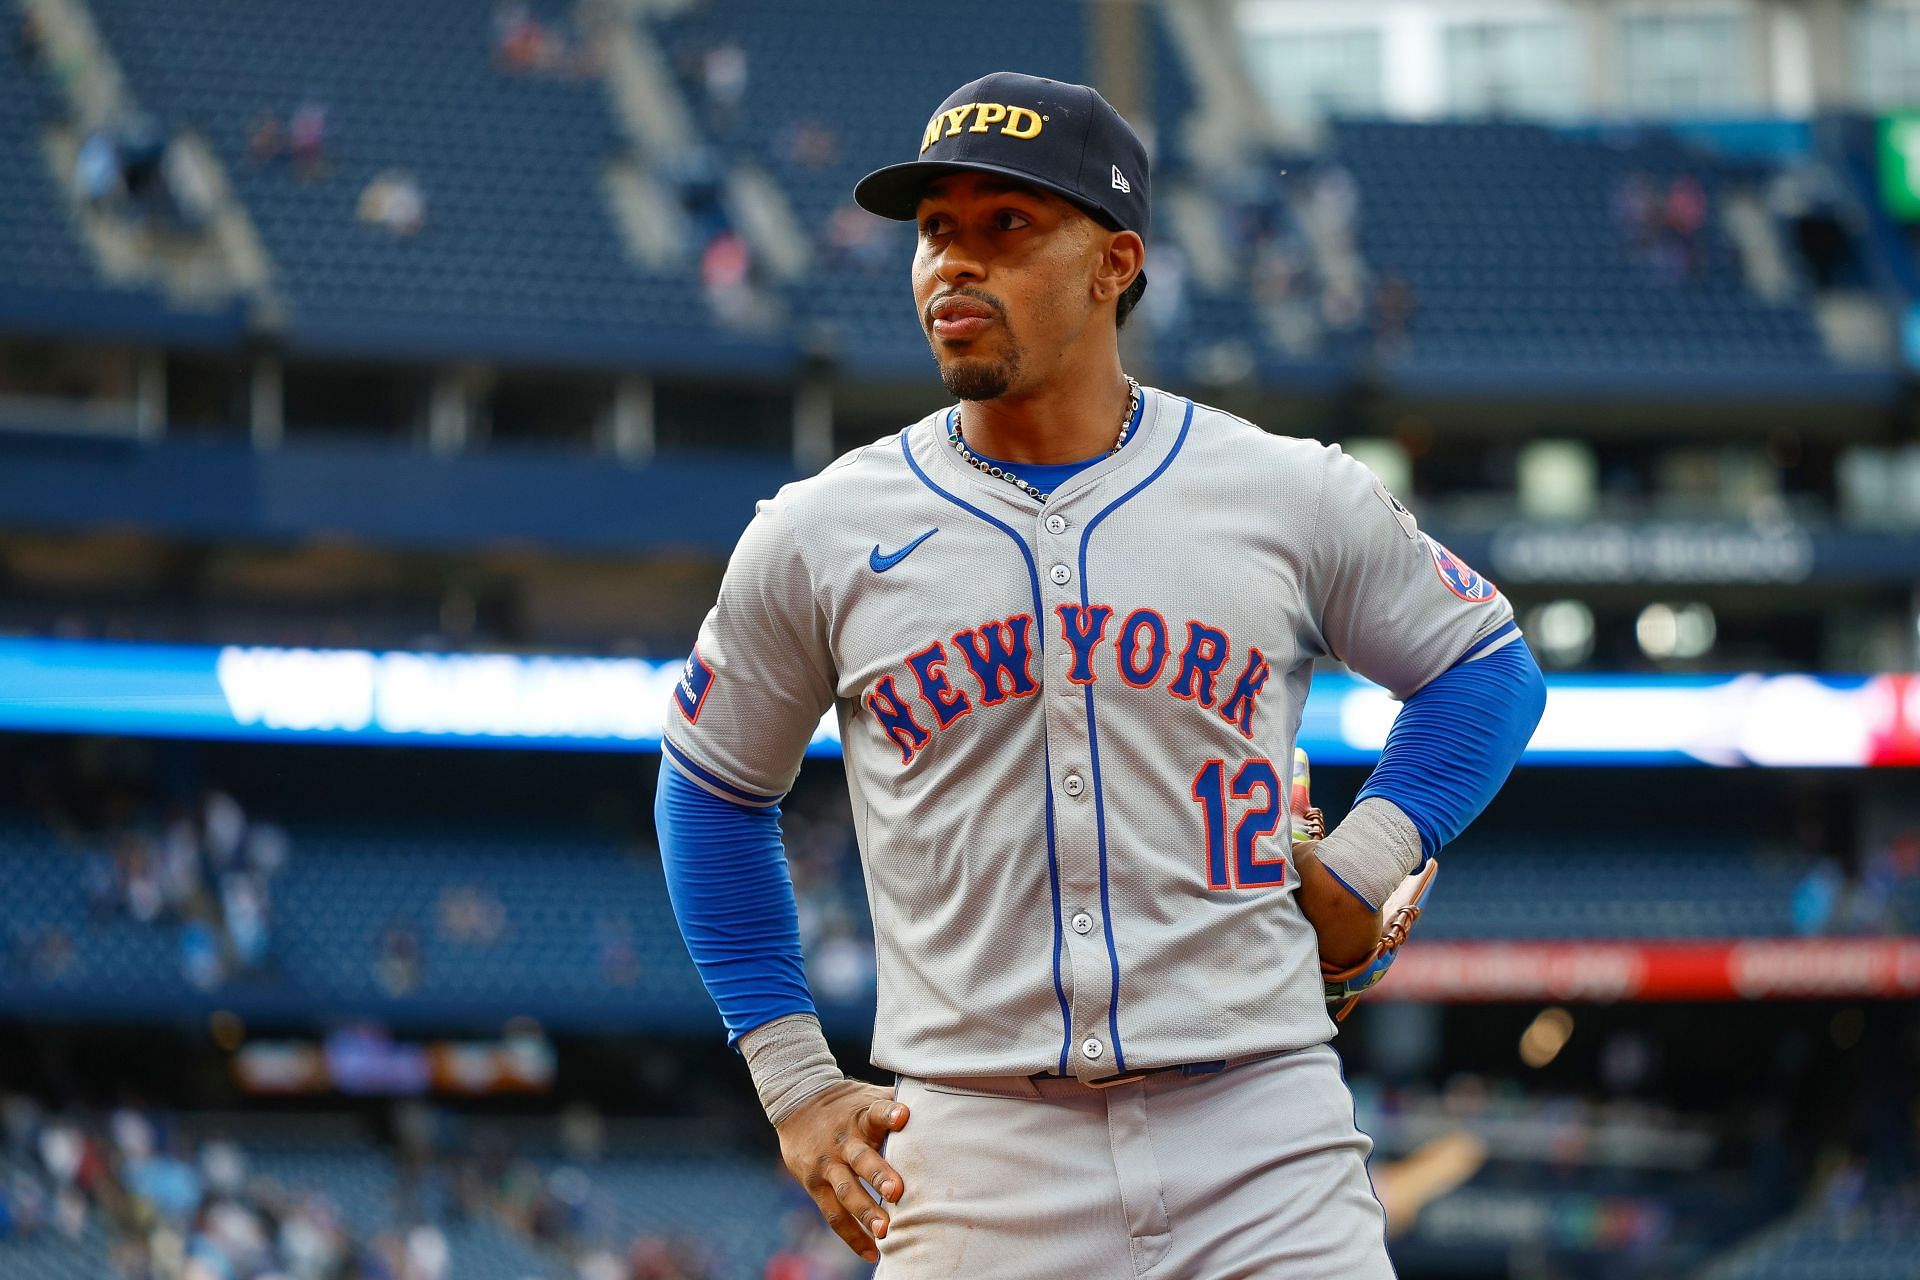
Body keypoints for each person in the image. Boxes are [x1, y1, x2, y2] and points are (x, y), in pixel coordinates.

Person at [657, 71, 1546, 1277]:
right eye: (934, 232)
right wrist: (796, 1080)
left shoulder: (1282, 490)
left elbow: (1485, 668)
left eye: (1004, 226)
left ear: (1114, 261)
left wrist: (1370, 854)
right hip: (973, 1147)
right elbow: (709, 789)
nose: (952, 264)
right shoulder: (818, 530)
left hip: (1261, 1134)